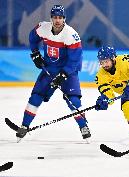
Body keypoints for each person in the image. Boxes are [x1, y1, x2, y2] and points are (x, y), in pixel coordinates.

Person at [16, 5, 91, 142]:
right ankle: (24, 125)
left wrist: (63, 75)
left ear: (64, 19)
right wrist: (35, 53)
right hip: (49, 69)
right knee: (35, 97)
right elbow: (32, 38)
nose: (57, 20)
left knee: (73, 101)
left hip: (69, 71)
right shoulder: (43, 28)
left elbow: (75, 60)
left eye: (60, 18)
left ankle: (84, 127)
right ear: (51, 18)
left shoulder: (71, 35)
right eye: (55, 17)